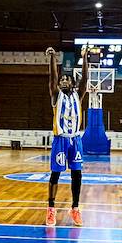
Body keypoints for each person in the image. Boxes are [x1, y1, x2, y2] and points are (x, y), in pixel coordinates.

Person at [44, 46, 88, 227]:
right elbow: (52, 78)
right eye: (61, 79)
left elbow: (85, 79)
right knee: (55, 174)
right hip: (60, 139)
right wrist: (53, 57)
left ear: (72, 84)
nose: (63, 81)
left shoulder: (78, 95)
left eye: (66, 79)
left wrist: (84, 58)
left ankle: (75, 208)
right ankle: (51, 209)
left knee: (76, 174)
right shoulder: (56, 95)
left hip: (75, 139)